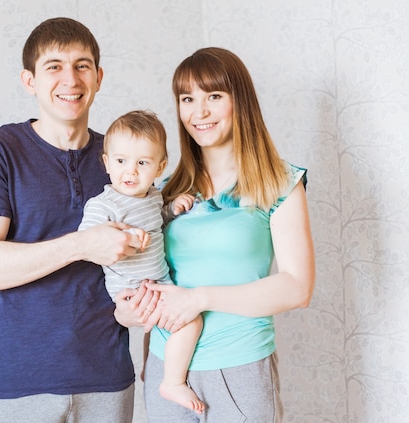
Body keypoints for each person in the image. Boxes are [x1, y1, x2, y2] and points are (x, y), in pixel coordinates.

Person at [114, 47, 316, 422]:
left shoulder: (280, 183)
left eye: (214, 97)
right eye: (187, 99)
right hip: (164, 368)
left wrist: (199, 299)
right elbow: (140, 273)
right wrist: (128, 311)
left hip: (241, 369)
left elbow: (298, 288)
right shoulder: (165, 191)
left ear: (240, 101)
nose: (199, 112)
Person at [0, 17, 141, 423]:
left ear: (98, 77)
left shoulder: (121, 160)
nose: (70, 79)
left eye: (82, 65)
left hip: (107, 378)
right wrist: (81, 244)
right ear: (30, 81)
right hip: (19, 384)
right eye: (54, 66)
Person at [78, 110, 204, 414]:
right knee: (191, 321)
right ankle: (172, 382)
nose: (130, 171)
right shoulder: (102, 205)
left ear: (159, 167)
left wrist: (173, 207)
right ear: (107, 162)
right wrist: (126, 238)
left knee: (169, 327)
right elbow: (87, 241)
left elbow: (157, 221)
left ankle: (156, 371)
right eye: (121, 161)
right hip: (133, 287)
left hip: (158, 281)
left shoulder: (152, 197)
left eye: (142, 163)